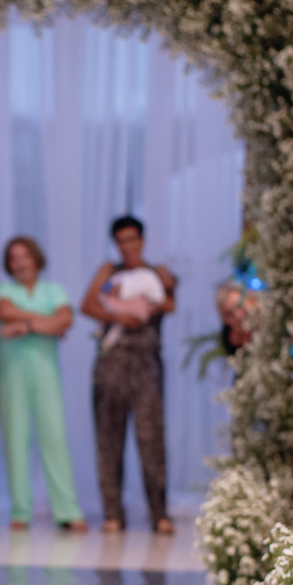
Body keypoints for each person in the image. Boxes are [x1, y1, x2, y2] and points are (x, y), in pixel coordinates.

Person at [81, 214, 177, 534]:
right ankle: (113, 513)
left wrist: (152, 301)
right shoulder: (109, 272)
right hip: (112, 363)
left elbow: (170, 303)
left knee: (151, 439)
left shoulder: (156, 273)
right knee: (109, 439)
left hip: (147, 364)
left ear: (142, 240)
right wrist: (122, 314)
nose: (127, 246)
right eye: (121, 241)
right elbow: (88, 305)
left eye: (132, 239)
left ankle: (159, 513)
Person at [0, 235, 85, 532]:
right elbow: (4, 312)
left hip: (47, 376)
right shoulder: (3, 290)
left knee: (55, 438)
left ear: (36, 258)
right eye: (14, 258)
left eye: (25, 256)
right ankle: (20, 510)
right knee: (15, 439)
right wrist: (46, 323)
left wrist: (26, 326)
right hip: (12, 376)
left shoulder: (53, 290)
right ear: (9, 264)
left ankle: (67, 510)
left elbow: (66, 319)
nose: (20, 263)